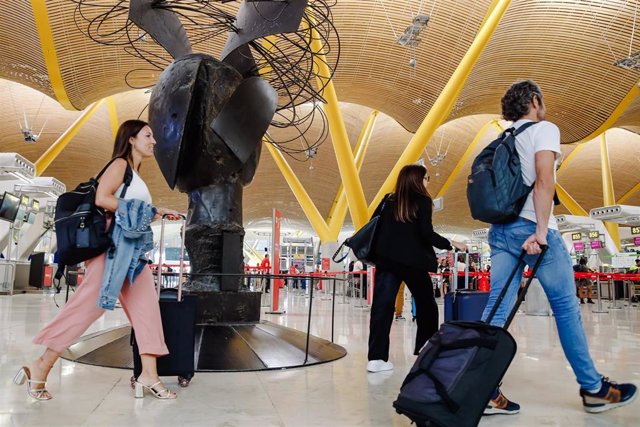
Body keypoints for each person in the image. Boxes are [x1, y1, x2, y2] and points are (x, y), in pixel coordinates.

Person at [480, 80, 637, 415]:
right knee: (566, 308)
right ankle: (593, 388)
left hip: (500, 231)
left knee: (496, 308)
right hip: (533, 230)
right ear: (535, 101)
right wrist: (539, 232)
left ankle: (480, 387)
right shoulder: (544, 129)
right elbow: (543, 180)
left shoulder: (502, 140)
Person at [14, 120, 182, 401]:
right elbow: (103, 199)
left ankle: (149, 375)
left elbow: (128, 209)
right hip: (113, 251)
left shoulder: (135, 175)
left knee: (147, 311)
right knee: (89, 307)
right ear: (131, 138)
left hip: (134, 255)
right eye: (148, 135)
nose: (154, 141)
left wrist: (156, 211)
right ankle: (41, 364)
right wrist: (143, 209)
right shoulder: (119, 165)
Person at [367, 164, 466, 373]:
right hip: (413, 262)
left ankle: (376, 358)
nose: (428, 181)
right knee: (426, 305)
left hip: (387, 262)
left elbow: (373, 224)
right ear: (416, 180)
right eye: (426, 177)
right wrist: (451, 243)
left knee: (382, 308)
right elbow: (426, 234)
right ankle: (425, 348)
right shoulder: (422, 200)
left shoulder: (388, 200)